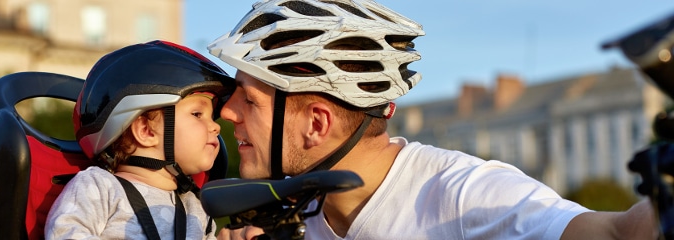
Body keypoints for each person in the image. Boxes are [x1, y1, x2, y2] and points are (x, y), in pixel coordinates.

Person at [208, 0, 658, 239]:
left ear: (318, 124)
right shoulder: (284, 211)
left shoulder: (462, 195)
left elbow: (615, 234)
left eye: (249, 100)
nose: (227, 113)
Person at [45, 40, 235, 239]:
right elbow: (64, 233)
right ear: (146, 131)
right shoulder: (99, 187)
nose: (216, 126)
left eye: (212, 117)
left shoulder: (195, 207)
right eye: (197, 114)